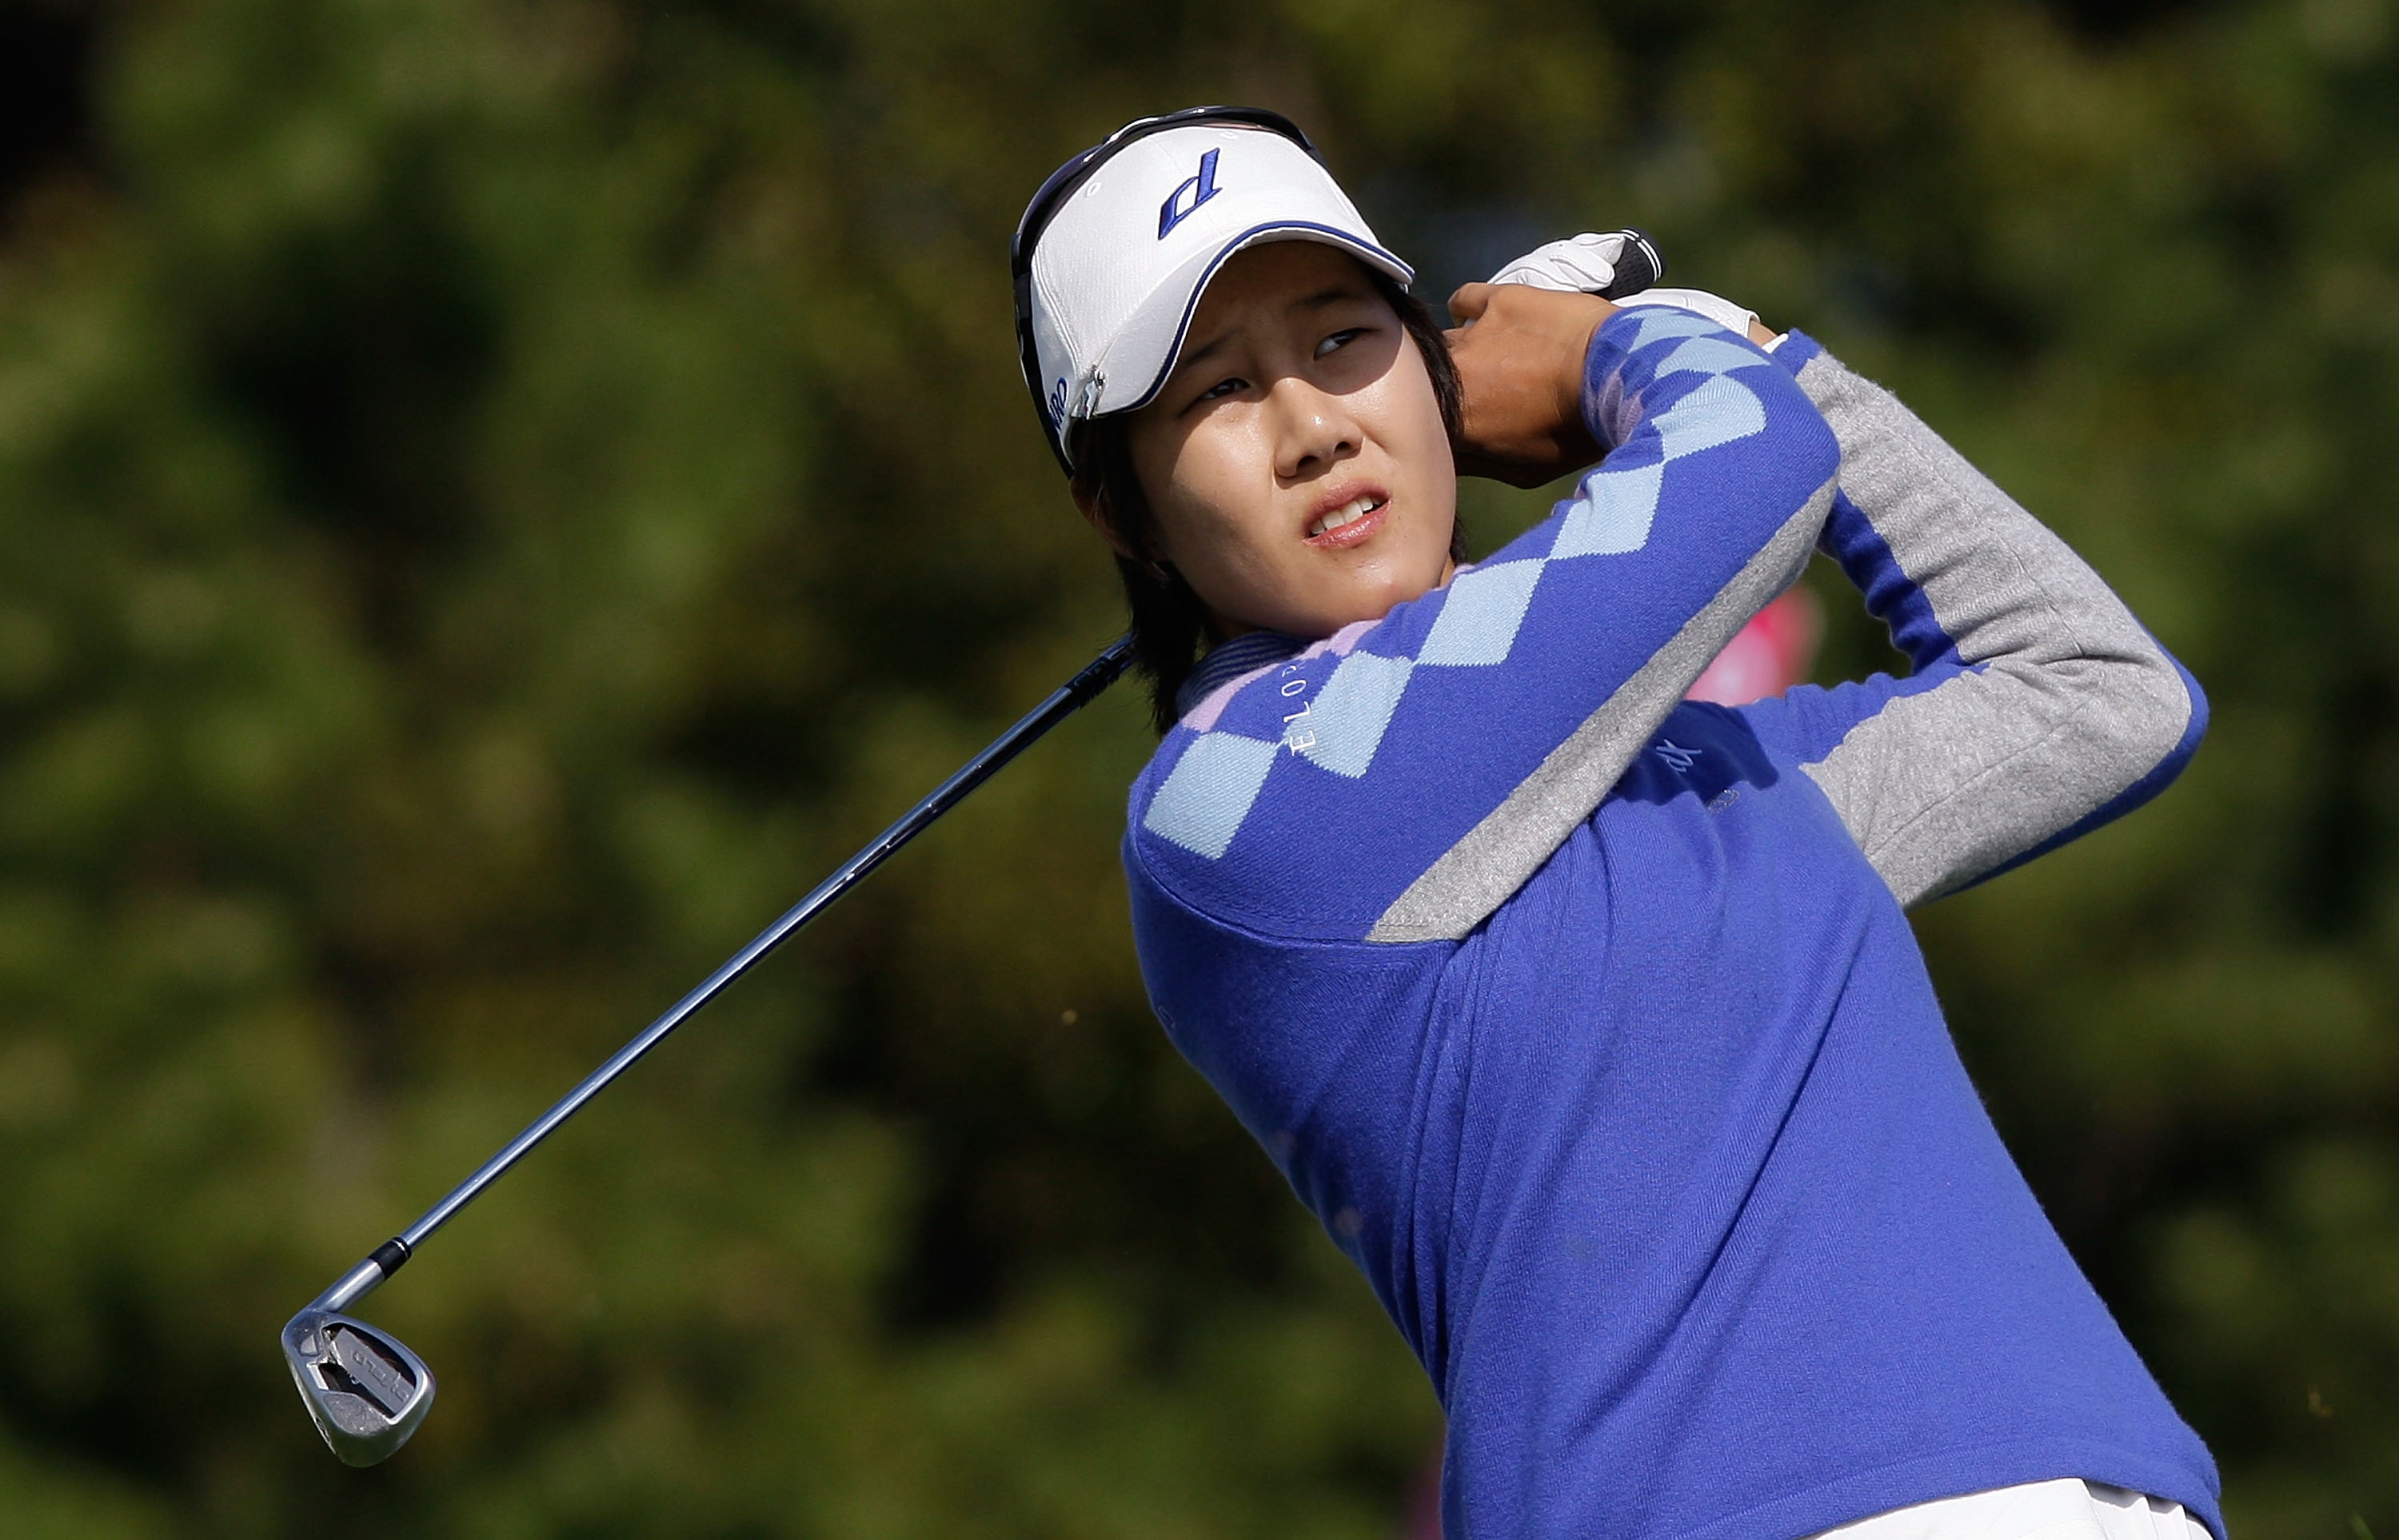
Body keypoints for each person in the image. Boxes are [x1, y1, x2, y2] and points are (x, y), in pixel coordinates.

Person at [1010, 108, 2219, 1540]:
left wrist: (1771, 358)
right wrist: (1623, 349)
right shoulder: (1231, 813)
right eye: (1213, 391)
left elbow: (2097, 691)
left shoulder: (1701, 767)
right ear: (1120, 510)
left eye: (1345, 339)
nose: (1312, 426)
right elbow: (1749, 469)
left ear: (1430, 372)